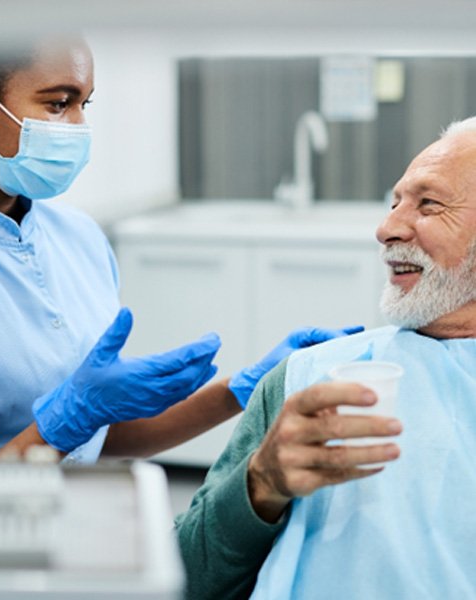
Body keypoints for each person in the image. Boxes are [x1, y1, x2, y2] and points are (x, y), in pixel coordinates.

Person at [0, 35, 362, 463]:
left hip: (79, 510)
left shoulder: (78, 238)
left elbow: (103, 434)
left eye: (86, 104)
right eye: (59, 104)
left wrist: (245, 387)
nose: (78, 127)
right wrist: (66, 420)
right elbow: (74, 423)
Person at [175, 116, 476, 599]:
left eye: (429, 204)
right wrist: (259, 484)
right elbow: (185, 578)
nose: (387, 228)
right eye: (394, 201)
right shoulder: (309, 385)